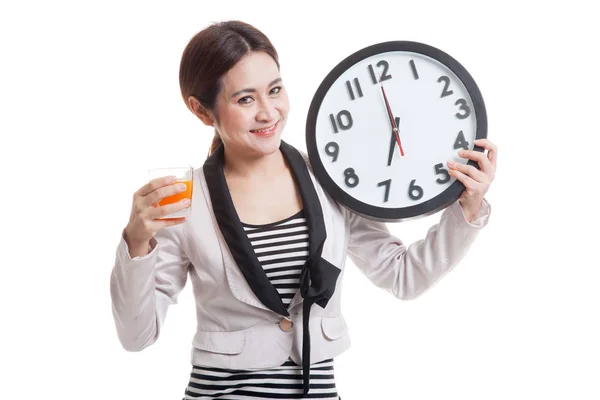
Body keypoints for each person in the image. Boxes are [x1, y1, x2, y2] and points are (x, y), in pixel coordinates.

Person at [110, 20, 496, 400]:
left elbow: (404, 276)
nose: (268, 112)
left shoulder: (334, 180)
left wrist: (466, 209)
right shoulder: (185, 200)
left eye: (274, 90)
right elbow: (137, 335)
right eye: (245, 99)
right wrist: (137, 241)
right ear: (202, 111)